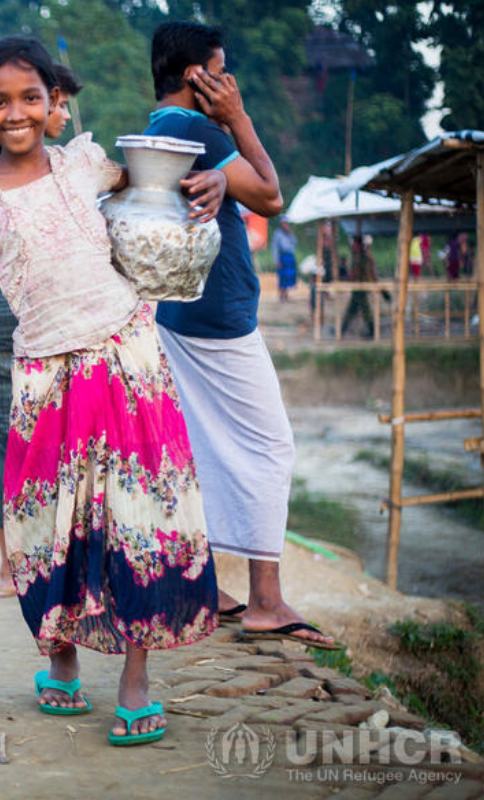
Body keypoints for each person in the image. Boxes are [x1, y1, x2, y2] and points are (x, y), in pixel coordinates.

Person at [0, 36, 223, 746]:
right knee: (47, 528)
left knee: (139, 521)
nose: (15, 113)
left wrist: (216, 182)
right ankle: (60, 658)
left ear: (54, 102)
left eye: (30, 97)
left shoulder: (86, 165)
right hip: (44, 377)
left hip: (129, 362)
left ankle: (134, 679)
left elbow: (156, 182)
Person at [142, 21, 338, 649]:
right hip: (219, 316)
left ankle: (204, 584)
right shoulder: (197, 127)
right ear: (197, 77)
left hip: (180, 310)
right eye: (221, 72)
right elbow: (273, 196)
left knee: (201, 445)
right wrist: (240, 117)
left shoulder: (157, 127)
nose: (229, 83)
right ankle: (265, 599)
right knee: (268, 446)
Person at [0, 61, 82, 599]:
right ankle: (15, 561)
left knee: (50, 439)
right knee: (12, 438)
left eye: (37, 100)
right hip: (11, 312)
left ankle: (24, 564)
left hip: (56, 313)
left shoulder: (77, 165)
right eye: (2, 100)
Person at [340, 235, 377, 338]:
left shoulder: (360, 257)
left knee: (361, 311)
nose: (352, 246)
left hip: (361, 288)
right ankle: (342, 331)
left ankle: (373, 331)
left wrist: (344, 279)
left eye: (354, 244)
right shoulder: (359, 255)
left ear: (358, 245)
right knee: (355, 310)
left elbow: (355, 273)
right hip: (358, 288)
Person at [272, 218, 297, 302]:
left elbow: (294, 243)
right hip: (282, 256)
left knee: (288, 276)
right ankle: (281, 295)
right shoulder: (277, 234)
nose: (285, 225)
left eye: (286, 223)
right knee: (282, 276)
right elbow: (275, 248)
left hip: (289, 256)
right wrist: (277, 260)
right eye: (283, 223)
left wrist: (290, 233)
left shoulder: (289, 233)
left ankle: (286, 294)